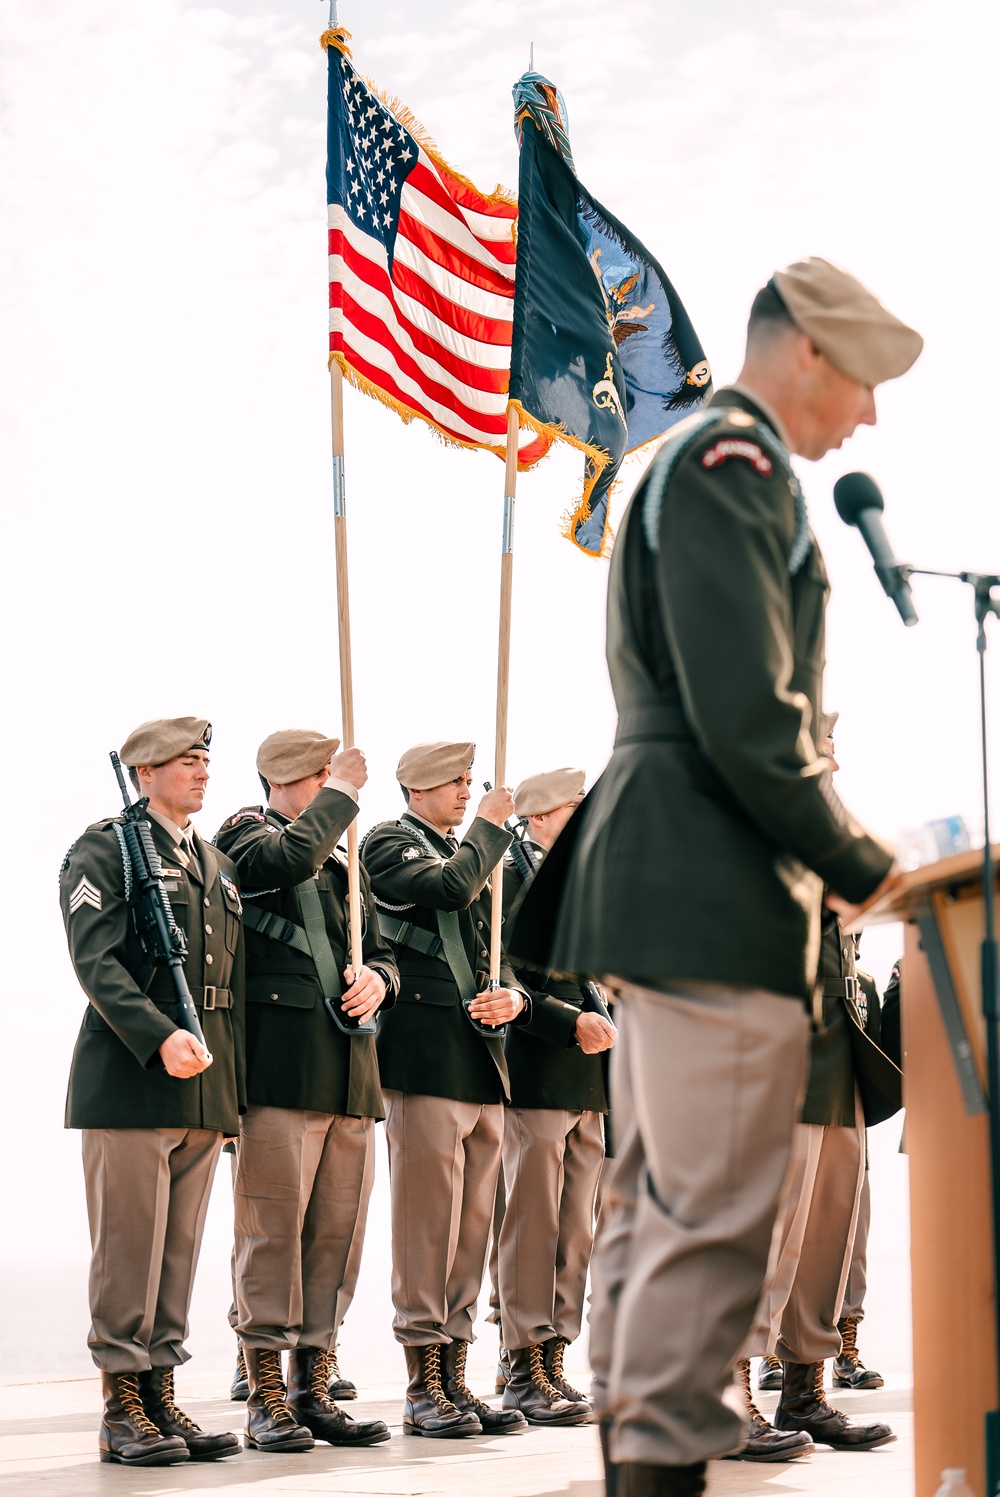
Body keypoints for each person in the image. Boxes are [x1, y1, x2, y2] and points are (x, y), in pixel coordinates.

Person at [509, 258, 921, 1497]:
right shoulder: (726, 469)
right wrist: (873, 873)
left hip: (684, 885)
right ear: (803, 351)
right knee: (701, 1226)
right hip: (708, 891)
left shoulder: (709, 468)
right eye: (862, 382)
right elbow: (752, 717)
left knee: (662, 1222)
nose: (867, 416)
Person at [60, 717, 243, 1467]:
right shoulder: (104, 847)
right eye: (184, 761)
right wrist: (157, 1033)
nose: (201, 772)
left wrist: (230, 1092)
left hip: (202, 1089)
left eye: (205, 760)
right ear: (144, 771)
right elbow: (96, 961)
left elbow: (230, 986)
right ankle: (122, 1406)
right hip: (131, 1081)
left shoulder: (214, 861)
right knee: (129, 1248)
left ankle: (162, 1394)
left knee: (176, 1253)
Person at [215, 728, 397, 1454]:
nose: (335, 791)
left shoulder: (347, 860)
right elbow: (287, 859)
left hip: (349, 1071)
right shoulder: (244, 834)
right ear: (300, 777)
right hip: (279, 1069)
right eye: (322, 777)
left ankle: (313, 1386)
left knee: (335, 1239)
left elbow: (380, 949)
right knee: (271, 1235)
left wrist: (382, 977)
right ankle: (264, 1394)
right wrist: (343, 792)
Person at [733, 717, 899, 1457]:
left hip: (837, 1057)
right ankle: (726, 1396)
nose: (835, 760)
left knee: (827, 1235)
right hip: (774, 1059)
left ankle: (806, 1389)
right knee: (764, 1238)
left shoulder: (828, 840)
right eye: (821, 747)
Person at [360, 741, 529, 1438]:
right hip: (424, 1059)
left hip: (482, 1060)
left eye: (469, 781)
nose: (467, 790)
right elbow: (449, 889)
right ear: (419, 787)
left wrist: (515, 998)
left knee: (470, 1231)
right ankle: (423, 1385)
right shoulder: (388, 842)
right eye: (455, 782)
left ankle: (456, 1376)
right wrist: (490, 826)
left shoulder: (471, 850)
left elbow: (501, 949)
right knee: (429, 1229)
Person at [494, 768, 616, 1426]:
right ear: (539, 817)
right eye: (573, 809)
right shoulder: (510, 875)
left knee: (575, 1228)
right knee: (532, 1223)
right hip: (539, 1067)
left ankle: (553, 1355)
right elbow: (505, 977)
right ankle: (521, 1359)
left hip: (590, 1076)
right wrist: (566, 1020)